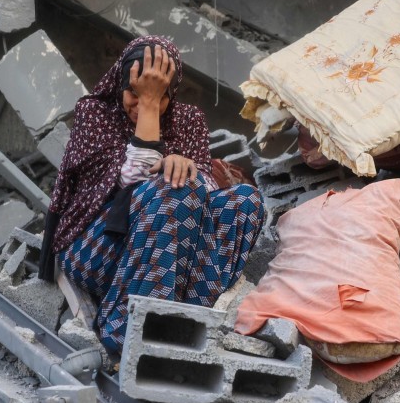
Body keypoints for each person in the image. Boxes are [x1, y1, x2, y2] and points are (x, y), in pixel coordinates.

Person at [39, 35, 266, 353]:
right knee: (172, 189)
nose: (142, 103)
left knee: (245, 201)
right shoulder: (95, 113)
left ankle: (188, 321)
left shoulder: (188, 120)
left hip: (168, 256)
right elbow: (127, 184)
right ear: (121, 84)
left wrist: (184, 165)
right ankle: (126, 330)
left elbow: (206, 193)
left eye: (159, 96)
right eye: (135, 92)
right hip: (96, 249)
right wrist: (149, 109)